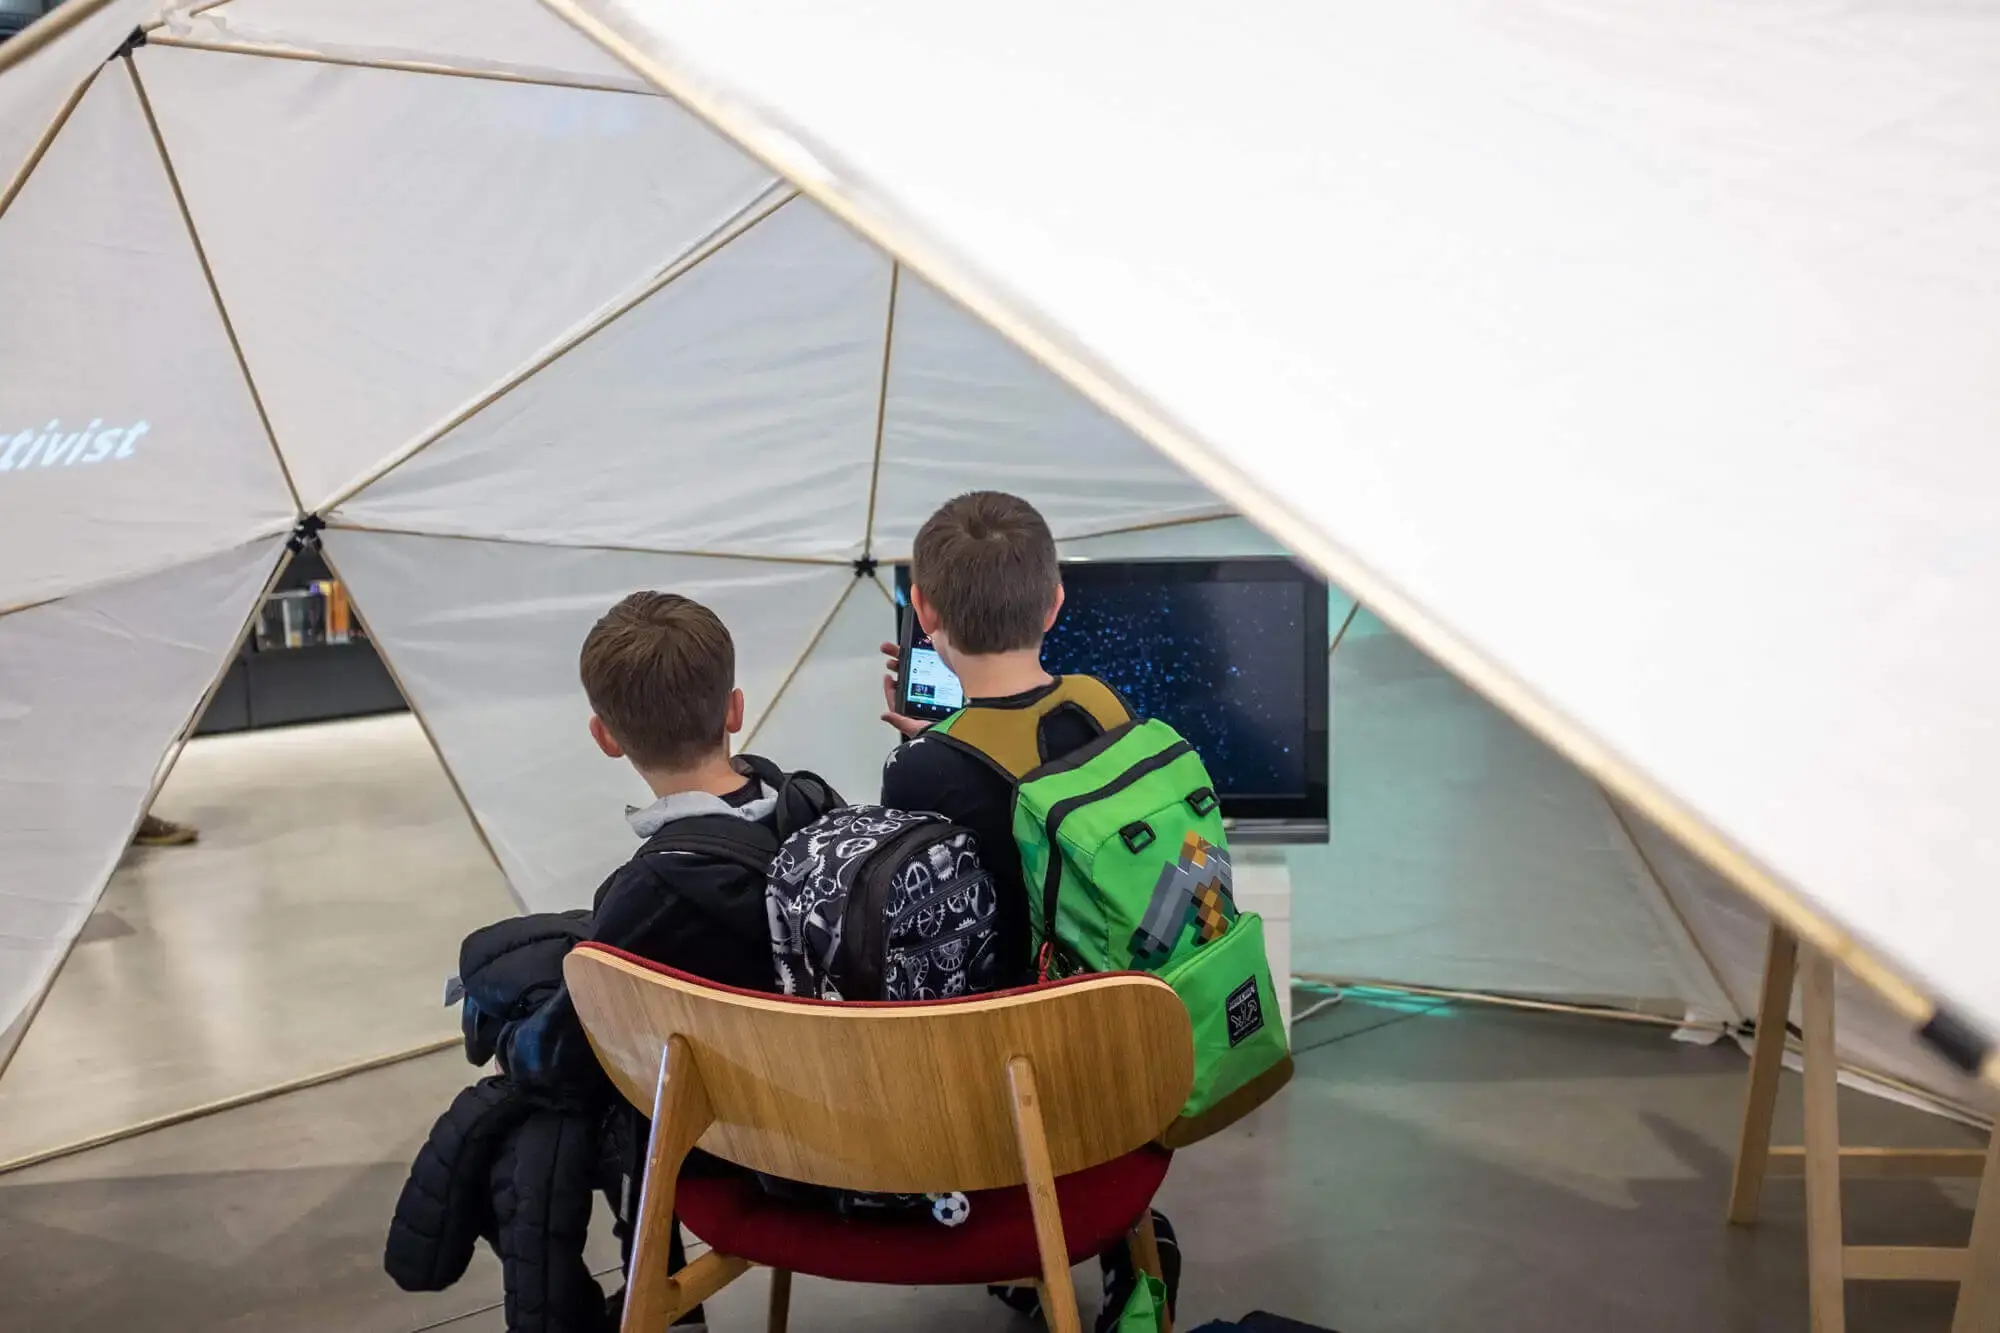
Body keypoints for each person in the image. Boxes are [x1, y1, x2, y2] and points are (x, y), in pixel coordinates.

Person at [877, 491, 1181, 1332]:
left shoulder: (921, 773)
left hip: (1004, 1066)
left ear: (924, 610)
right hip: (1115, 1031)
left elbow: (935, 928)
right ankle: (1127, 1244)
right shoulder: (1100, 702)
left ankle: (1022, 1241)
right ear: (1054, 601)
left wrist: (920, 745)